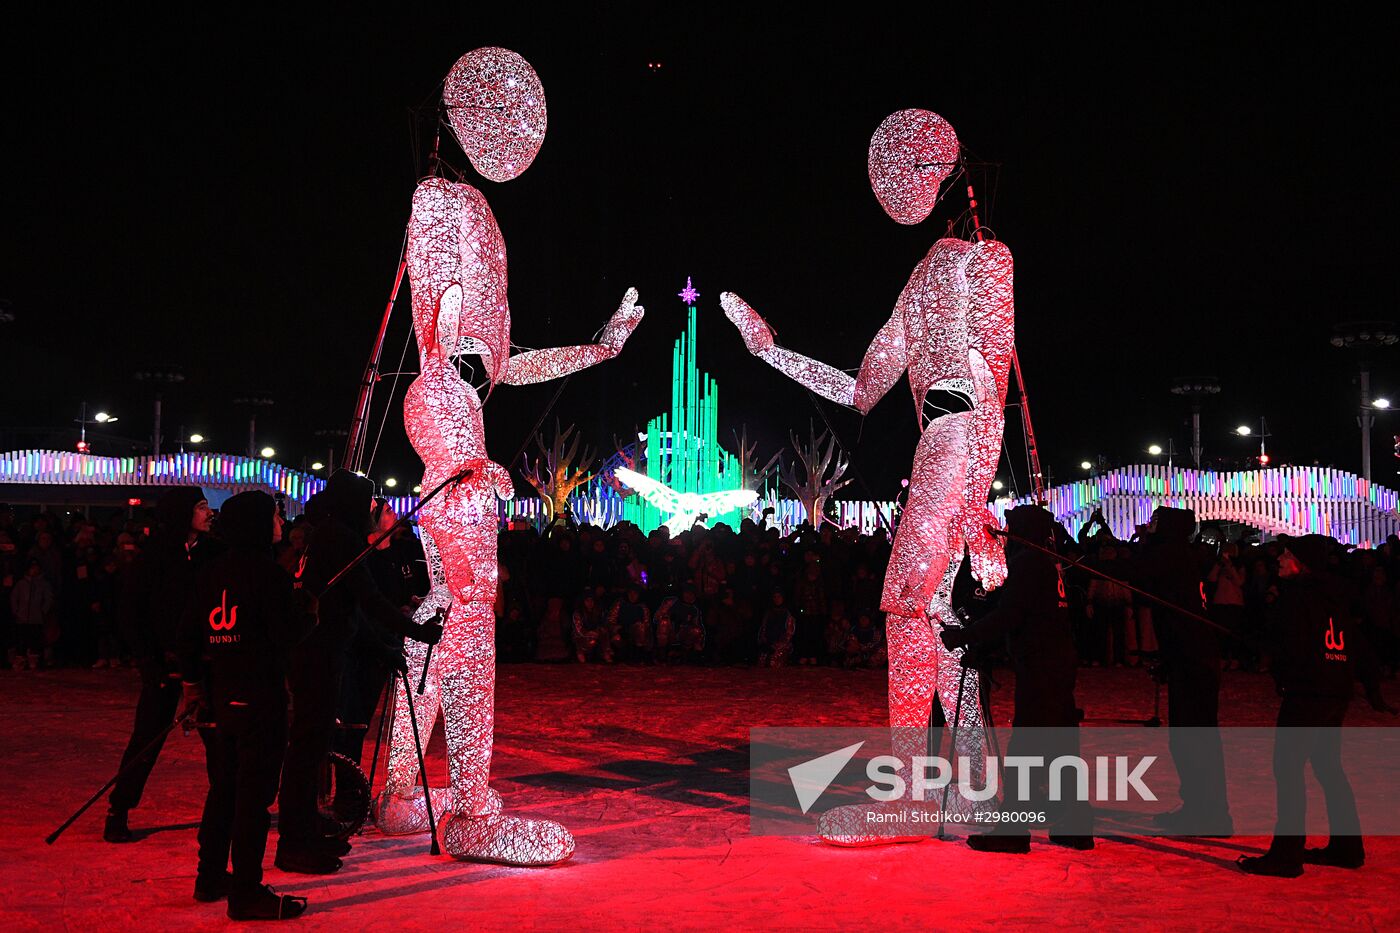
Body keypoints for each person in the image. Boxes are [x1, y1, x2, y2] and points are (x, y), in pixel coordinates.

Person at [276, 471, 440, 874]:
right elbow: (370, 599)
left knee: (313, 747)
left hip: (323, 650)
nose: (373, 508)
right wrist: (417, 631)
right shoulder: (340, 538)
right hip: (318, 654)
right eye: (368, 501)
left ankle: (308, 829)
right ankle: (294, 842)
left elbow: (355, 607)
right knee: (308, 749)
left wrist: (385, 646)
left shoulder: (328, 533)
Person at [178, 491, 316, 919]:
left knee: (223, 790)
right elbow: (285, 634)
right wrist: (308, 609)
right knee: (253, 799)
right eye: (274, 516)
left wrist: (194, 687)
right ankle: (246, 891)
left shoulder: (210, 571)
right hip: (260, 700)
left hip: (222, 697)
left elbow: (188, 635)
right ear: (257, 523)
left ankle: (209, 876)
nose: (281, 523)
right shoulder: (268, 575)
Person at [1239, 535, 1396, 877]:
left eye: (1287, 554)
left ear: (1302, 564)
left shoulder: (1297, 596)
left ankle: (1286, 856)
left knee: (1289, 770)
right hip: (1335, 693)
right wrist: (1371, 688)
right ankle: (1347, 847)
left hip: (1307, 693)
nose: (1280, 558)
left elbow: (1288, 643)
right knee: (1328, 768)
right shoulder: (1333, 596)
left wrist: (1271, 661)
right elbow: (1358, 645)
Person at [943, 505, 1093, 852]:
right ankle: (1075, 825)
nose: (1006, 535)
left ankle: (1013, 831)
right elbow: (1028, 616)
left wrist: (965, 637)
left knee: (1027, 749)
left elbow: (1009, 614)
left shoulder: (1028, 563)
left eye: (1011, 528)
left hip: (1041, 669)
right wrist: (984, 648)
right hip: (1057, 664)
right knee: (1060, 748)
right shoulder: (1049, 561)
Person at [105, 486, 215, 843]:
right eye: (201, 507)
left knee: (218, 739)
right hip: (164, 662)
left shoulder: (213, 553)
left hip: (205, 662)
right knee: (147, 737)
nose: (208, 513)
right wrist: (147, 660)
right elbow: (130, 613)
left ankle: (226, 808)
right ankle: (119, 808)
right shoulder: (153, 557)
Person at [1129, 506, 1233, 836]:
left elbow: (1135, 574)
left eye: (1155, 521)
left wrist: (1142, 544)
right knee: (1192, 738)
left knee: (1193, 739)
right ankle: (1202, 807)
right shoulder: (1178, 553)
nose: (1148, 525)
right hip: (1190, 656)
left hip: (1192, 659)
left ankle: (1209, 813)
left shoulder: (1168, 553)